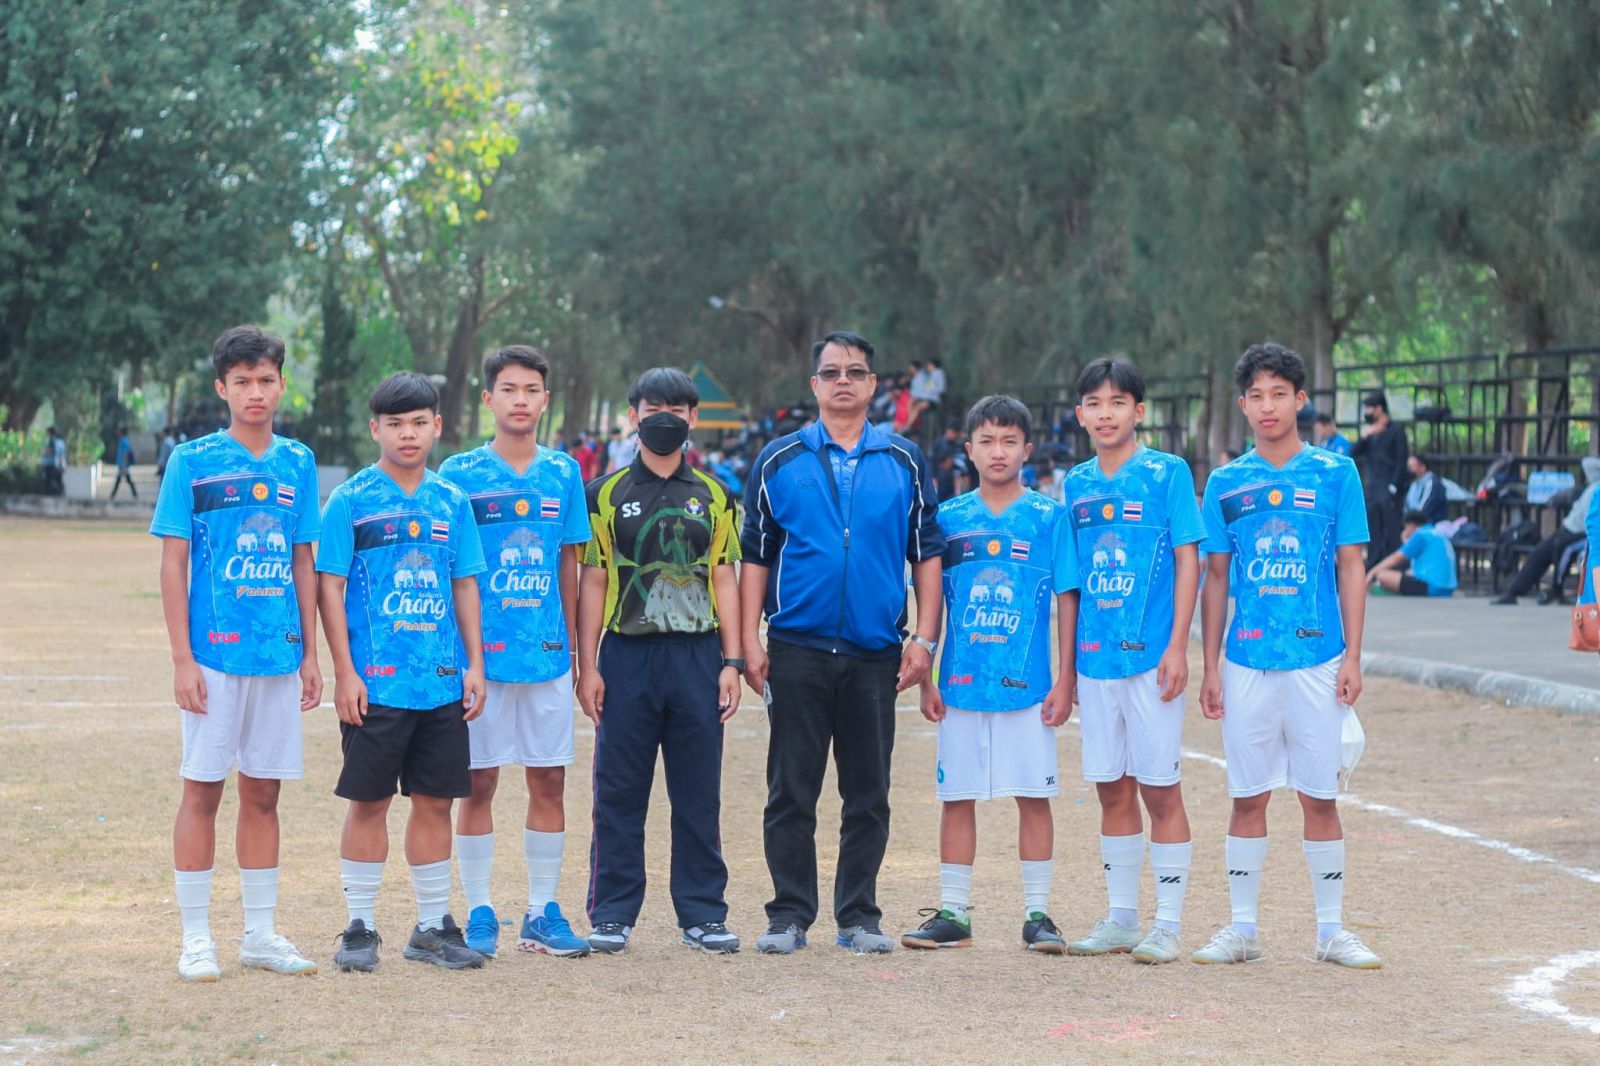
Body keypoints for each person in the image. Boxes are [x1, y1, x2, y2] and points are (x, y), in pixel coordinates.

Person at [739, 329, 945, 956]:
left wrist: (925, 639)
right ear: (815, 385)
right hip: (796, 649)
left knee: (869, 795)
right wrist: (748, 639)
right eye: (831, 373)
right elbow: (755, 556)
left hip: (875, 653)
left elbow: (926, 554)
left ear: (874, 385)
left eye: (855, 371)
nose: (843, 381)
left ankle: (859, 915)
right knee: (790, 792)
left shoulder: (905, 460)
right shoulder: (779, 460)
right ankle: (788, 915)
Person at [1195, 341, 1381, 969]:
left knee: (1319, 797)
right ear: (1243, 405)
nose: (1268, 406)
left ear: (1300, 399)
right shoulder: (1226, 482)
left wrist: (1352, 656)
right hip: (1247, 660)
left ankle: (1331, 932)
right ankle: (1242, 930)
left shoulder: (1335, 473)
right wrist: (1211, 664)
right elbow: (1215, 576)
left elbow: (1351, 565)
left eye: (1279, 394)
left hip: (1318, 658)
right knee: (1247, 797)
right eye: (1257, 396)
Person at [149, 325, 322, 982]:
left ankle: (260, 933)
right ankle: (196, 938)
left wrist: (310, 654)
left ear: (282, 385)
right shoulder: (192, 461)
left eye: (266, 380)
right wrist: (182, 659)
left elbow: (303, 561)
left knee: (265, 793)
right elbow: (174, 563)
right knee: (202, 791)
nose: (256, 392)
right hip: (214, 660)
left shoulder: (298, 463)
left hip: (277, 657)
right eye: (243, 381)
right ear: (222, 387)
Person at [318, 372, 489, 973]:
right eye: (395, 424)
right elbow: (330, 587)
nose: (408, 434)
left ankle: (432, 926)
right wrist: (345, 672)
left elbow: (464, 583)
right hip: (376, 685)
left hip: (441, 682)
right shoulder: (350, 500)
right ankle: (359, 926)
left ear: (437, 426)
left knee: (436, 802)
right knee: (368, 803)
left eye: (419, 422)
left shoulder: (452, 502)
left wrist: (475, 664)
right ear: (376, 429)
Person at [576, 367, 744, 955]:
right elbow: (594, 580)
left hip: (699, 656)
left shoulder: (717, 495)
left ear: (694, 418)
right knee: (619, 791)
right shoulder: (603, 494)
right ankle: (612, 913)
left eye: (677, 409)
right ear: (633, 416)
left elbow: (725, 576)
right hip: (627, 656)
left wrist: (733, 660)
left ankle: (703, 914)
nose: (664, 419)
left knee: (698, 793)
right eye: (653, 410)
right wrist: (588, 665)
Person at [900, 396, 1075, 953]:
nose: (998, 452)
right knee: (958, 797)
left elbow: (1068, 600)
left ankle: (1038, 915)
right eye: (987, 441)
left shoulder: (1050, 518)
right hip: (960, 686)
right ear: (969, 450)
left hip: (1029, 688)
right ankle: (954, 913)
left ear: (1027, 449)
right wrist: (927, 677)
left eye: (1009, 441)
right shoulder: (948, 519)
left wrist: (1065, 679)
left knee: (1034, 797)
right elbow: (931, 601)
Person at [437, 347, 592, 959]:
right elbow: (452, 568)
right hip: (482, 660)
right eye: (509, 389)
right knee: (478, 784)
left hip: (547, 656)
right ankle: (479, 910)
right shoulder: (459, 473)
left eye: (531, 390)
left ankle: (541, 911)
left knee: (548, 779)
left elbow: (569, 563)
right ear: (489, 399)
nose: (520, 399)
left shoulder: (564, 473)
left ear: (545, 400)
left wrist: (577, 652)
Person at [1060, 357, 1205, 965]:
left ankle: (1167, 924)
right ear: (1080, 415)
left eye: (1117, 402)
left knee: (1160, 791)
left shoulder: (1167, 473)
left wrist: (1178, 646)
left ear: (1138, 412)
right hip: (1095, 664)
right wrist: (1067, 670)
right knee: (1111, 790)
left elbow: (1189, 559)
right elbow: (1070, 583)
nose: (1106, 414)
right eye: (1094, 404)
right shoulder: (1075, 484)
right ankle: (1122, 919)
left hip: (1151, 661)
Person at [1489, 456, 1600, 606]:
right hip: (1569, 528)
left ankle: (1557, 589)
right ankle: (1514, 592)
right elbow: (1588, 462)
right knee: (1540, 551)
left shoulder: (1596, 490)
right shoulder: (1591, 486)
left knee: (1563, 548)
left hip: (1584, 533)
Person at [1350, 391, 1407, 566]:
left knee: (1392, 530)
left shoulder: (1396, 430)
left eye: (1369, 408)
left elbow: (1401, 460)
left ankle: (1394, 568)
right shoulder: (1370, 432)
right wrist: (1365, 435)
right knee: (1373, 530)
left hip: (1389, 488)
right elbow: (1353, 453)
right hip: (1373, 489)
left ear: (1379, 408)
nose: (1367, 412)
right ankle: (1373, 567)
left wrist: (1394, 487)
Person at [1366, 510, 1457, 597]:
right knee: (1407, 573)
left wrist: (1371, 573)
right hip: (1448, 590)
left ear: (1411, 526)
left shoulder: (1420, 535)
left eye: (1405, 528)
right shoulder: (1437, 534)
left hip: (1431, 588)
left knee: (1382, 575)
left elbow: (1396, 558)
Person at [1402, 454, 1448, 526]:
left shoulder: (1432, 483)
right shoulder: (1414, 484)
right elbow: (1407, 505)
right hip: (1414, 524)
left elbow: (1424, 509)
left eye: (1412, 466)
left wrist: (1411, 521)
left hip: (1431, 525)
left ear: (1422, 467)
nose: (1409, 470)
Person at [110, 426, 138, 498]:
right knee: (125, 479)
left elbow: (126, 453)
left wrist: (124, 465)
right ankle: (134, 494)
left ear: (121, 432)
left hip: (123, 465)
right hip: (122, 465)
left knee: (124, 479)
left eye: (118, 431)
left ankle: (113, 495)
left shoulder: (124, 441)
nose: (116, 432)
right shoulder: (121, 440)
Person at [41, 426, 66, 495]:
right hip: (57, 465)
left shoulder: (51, 441)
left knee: (49, 482)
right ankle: (59, 494)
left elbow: (51, 451)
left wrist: (44, 452)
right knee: (58, 482)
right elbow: (62, 455)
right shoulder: (61, 442)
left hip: (50, 465)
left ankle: (52, 495)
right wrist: (63, 465)